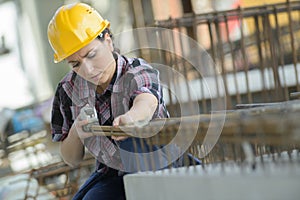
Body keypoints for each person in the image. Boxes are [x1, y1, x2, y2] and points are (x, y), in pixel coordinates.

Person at [47, 2, 186, 199]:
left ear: (108, 40)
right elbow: (71, 159)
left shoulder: (136, 70)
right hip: (112, 174)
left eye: (91, 55)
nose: (88, 70)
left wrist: (132, 118)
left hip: (159, 164)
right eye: (75, 64)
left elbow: (147, 101)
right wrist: (77, 132)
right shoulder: (67, 90)